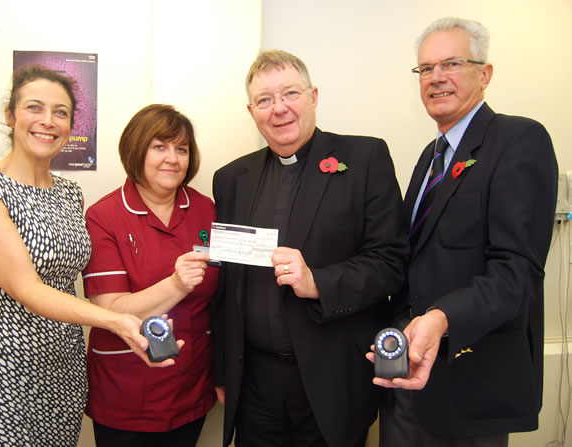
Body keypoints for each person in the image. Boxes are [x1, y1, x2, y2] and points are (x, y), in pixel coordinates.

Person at [0, 66, 177, 447]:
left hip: (62, 370)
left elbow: (60, 278)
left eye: (61, 112)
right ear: (11, 115)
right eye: (34, 107)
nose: (47, 121)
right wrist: (118, 321)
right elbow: (27, 287)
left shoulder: (70, 194)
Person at [368, 17, 558, 447]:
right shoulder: (429, 157)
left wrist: (441, 317)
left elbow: (517, 272)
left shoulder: (518, 140)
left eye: (451, 63)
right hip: (404, 378)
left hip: (470, 380)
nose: (436, 78)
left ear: (484, 73)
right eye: (425, 69)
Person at [211, 50, 408, 447]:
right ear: (252, 112)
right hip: (253, 386)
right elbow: (226, 287)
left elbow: (390, 262)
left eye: (290, 94)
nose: (279, 109)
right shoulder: (232, 178)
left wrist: (317, 281)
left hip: (333, 378)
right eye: (265, 100)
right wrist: (222, 372)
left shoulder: (365, 158)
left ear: (314, 96)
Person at [81, 104, 219, 447]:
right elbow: (111, 308)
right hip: (125, 390)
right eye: (159, 146)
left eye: (182, 149)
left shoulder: (206, 209)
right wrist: (175, 284)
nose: (172, 158)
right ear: (135, 150)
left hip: (191, 384)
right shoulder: (105, 216)